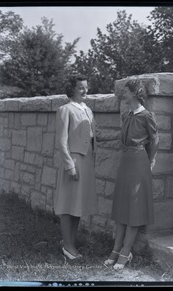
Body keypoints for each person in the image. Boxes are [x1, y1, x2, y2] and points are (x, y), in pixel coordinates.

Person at [55, 74, 120, 260]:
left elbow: (96, 134)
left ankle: (71, 241)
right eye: (81, 87)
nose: (85, 90)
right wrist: (69, 166)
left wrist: (121, 134)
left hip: (87, 162)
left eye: (86, 87)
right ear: (72, 89)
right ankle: (67, 247)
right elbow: (61, 141)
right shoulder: (65, 110)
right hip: (74, 162)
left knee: (78, 205)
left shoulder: (88, 110)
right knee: (68, 205)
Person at [105, 79, 159, 270]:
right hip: (125, 161)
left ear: (136, 93)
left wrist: (150, 160)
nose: (123, 95)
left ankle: (126, 251)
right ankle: (115, 249)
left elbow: (155, 139)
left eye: (125, 92)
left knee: (134, 209)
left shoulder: (146, 115)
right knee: (122, 208)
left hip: (138, 161)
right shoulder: (127, 114)